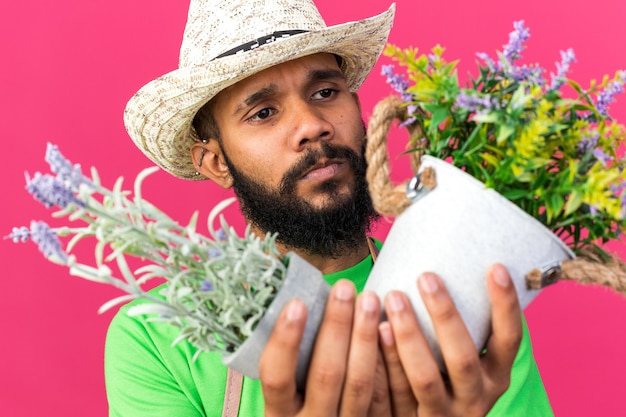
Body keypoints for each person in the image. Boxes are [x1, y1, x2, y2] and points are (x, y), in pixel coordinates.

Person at [106, 0, 553, 415]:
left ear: (359, 111)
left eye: (324, 92)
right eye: (263, 112)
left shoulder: (461, 299)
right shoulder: (161, 335)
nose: (313, 126)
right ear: (217, 161)